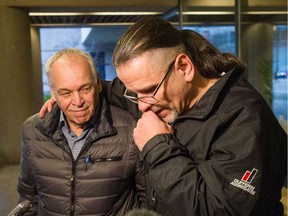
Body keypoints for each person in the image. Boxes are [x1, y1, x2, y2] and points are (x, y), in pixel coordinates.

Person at [40, 18, 287, 216]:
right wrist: (74, 95)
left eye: (148, 90)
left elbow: (220, 209)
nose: (143, 106)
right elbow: (113, 90)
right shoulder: (156, 96)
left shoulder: (246, 118)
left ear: (184, 68)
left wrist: (157, 146)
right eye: (133, 93)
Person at [17, 48, 145, 215]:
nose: (78, 102)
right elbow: (28, 198)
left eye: (85, 89)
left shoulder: (132, 129)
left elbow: (148, 200)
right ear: (53, 93)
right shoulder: (32, 130)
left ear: (98, 83)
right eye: (65, 93)